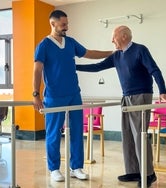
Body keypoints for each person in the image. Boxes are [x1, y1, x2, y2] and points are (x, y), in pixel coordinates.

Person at [76, 25, 166, 187]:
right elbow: (97, 67)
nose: (112, 40)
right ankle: (134, 171)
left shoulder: (140, 50)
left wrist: (163, 91)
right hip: (126, 97)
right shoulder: (117, 55)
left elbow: (155, 70)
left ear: (124, 36)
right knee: (127, 134)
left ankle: (149, 174)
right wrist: (74, 67)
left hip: (141, 96)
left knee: (140, 135)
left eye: (114, 37)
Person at [32, 10, 112, 182]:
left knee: (77, 132)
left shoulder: (71, 42)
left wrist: (110, 53)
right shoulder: (44, 45)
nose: (66, 27)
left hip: (74, 94)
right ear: (53, 24)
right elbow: (37, 70)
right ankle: (54, 169)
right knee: (53, 133)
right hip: (54, 96)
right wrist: (36, 95)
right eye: (63, 25)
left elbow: (89, 53)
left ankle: (76, 167)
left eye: (67, 24)